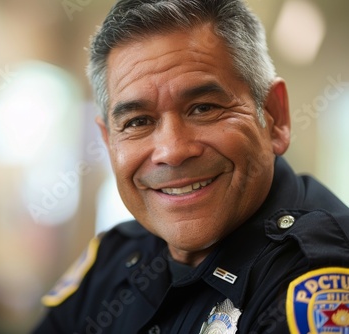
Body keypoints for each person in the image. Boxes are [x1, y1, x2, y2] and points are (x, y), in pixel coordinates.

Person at [33, 0, 349, 333]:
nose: (172, 151)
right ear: (109, 140)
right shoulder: (113, 258)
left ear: (274, 117)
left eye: (203, 108)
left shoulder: (319, 275)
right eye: (138, 121)